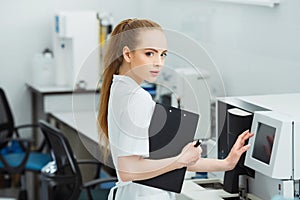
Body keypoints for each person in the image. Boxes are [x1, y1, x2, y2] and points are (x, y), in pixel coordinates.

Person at [97, 18, 254, 200]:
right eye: (149, 53)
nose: (158, 62)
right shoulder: (137, 98)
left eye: (163, 54)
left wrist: (226, 164)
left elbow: (162, 160)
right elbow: (129, 170)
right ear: (128, 54)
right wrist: (180, 160)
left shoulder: (119, 87)